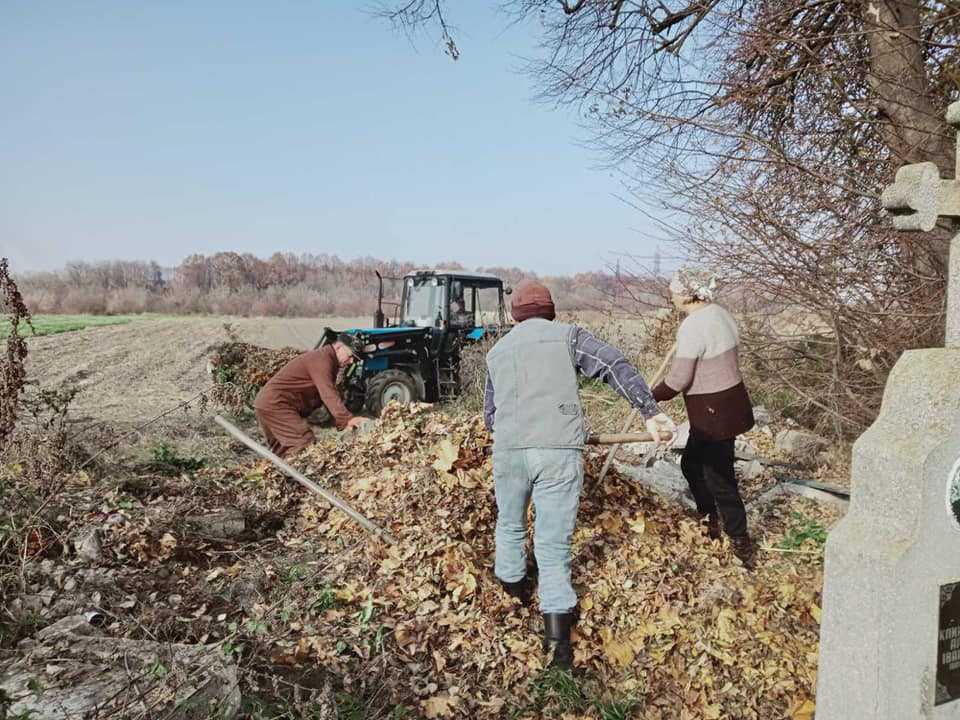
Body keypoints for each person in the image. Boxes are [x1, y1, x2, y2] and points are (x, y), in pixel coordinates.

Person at [483, 279, 675, 670]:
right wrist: (650, 411)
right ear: (550, 309)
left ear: (514, 314)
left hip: (509, 452)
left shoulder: (497, 351)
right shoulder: (569, 337)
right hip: (558, 453)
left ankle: (512, 596)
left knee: (510, 525)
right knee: (552, 545)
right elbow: (613, 366)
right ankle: (559, 649)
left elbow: (490, 416)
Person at [651, 267, 756, 569]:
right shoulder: (720, 313)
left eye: (673, 290)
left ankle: (741, 543)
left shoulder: (693, 326)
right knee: (691, 464)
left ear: (688, 292)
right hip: (730, 403)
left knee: (719, 478)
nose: (671, 295)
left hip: (713, 412)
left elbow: (679, 379)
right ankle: (709, 520)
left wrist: (651, 396)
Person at [254, 334, 367, 458]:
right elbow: (327, 393)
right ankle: (299, 476)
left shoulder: (326, 360)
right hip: (276, 404)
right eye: (350, 356)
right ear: (339, 347)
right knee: (303, 441)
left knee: (282, 450)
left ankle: (283, 476)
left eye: (354, 360)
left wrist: (340, 423)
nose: (351, 361)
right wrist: (347, 419)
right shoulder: (322, 360)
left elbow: (329, 394)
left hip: (267, 402)